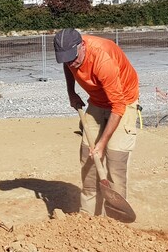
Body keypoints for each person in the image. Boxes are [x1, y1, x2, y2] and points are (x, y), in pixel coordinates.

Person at [54, 28, 139, 216]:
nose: (72, 63)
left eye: (74, 58)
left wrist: (102, 143)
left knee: (115, 159)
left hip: (123, 101)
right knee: (88, 156)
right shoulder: (70, 54)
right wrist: (71, 93)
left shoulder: (103, 60)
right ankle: (88, 217)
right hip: (97, 101)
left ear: (82, 46)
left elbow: (118, 107)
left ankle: (116, 220)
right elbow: (67, 65)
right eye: (66, 59)